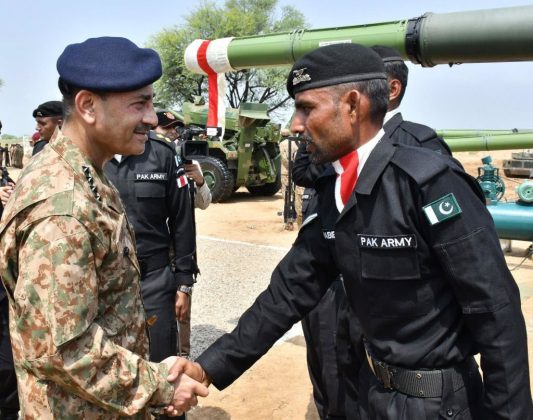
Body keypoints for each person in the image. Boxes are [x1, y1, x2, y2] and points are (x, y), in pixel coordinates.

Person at [171, 43, 532, 419]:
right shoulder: (336, 190)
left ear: (353, 105)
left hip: (441, 406)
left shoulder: (428, 183)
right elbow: (287, 294)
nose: (295, 124)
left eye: (306, 107)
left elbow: (494, 310)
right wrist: (207, 366)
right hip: (372, 395)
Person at [0, 36, 207, 419]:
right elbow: (65, 350)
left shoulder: (89, 174)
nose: (151, 117)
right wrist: (161, 385)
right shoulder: (62, 207)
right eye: (139, 104)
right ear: (88, 106)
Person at [104, 123, 197, 392]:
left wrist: (184, 282)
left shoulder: (162, 154)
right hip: (105, 285)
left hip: (154, 282)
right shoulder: (89, 155)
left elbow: (183, 221)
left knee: (162, 371)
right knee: (112, 372)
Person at [155, 110, 212, 211]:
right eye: (166, 127)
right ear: (151, 130)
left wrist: (200, 182)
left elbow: (204, 205)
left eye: (174, 127)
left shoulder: (190, 163)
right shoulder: (140, 159)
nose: (173, 131)